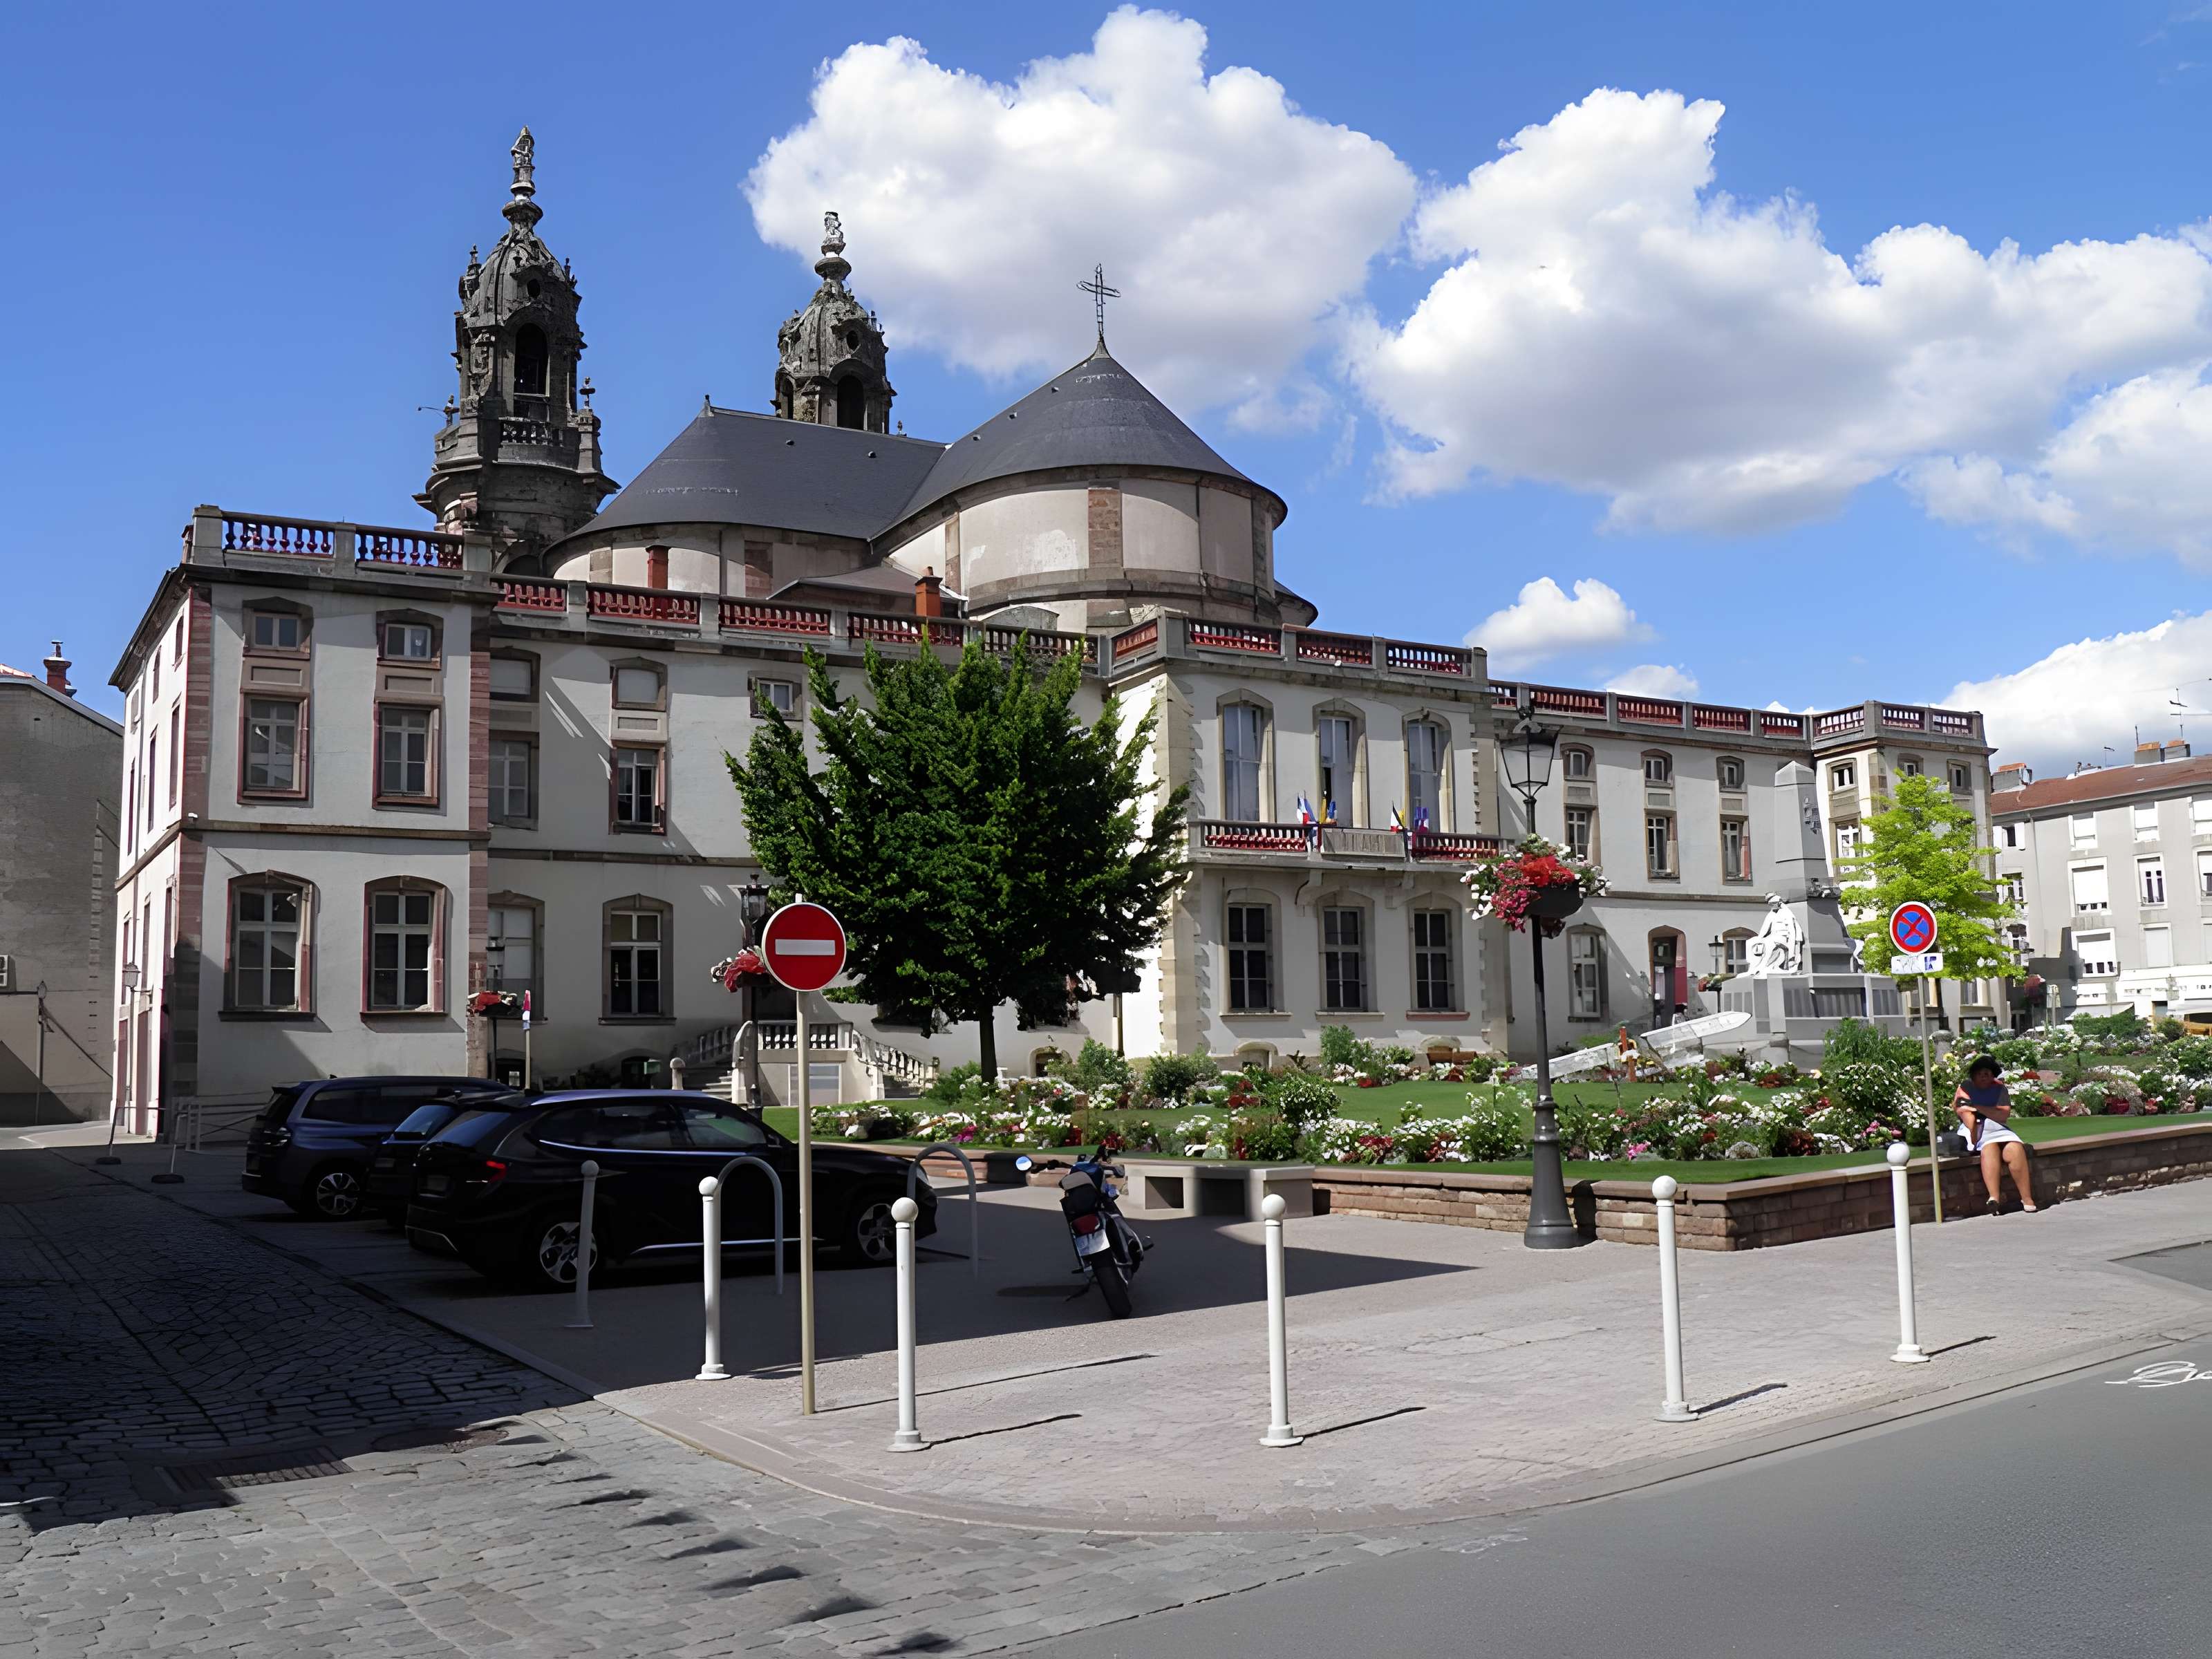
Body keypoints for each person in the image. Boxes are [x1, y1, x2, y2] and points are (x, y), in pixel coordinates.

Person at [1955, 1056, 2036, 1215]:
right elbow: (1964, 1113)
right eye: (1980, 1073)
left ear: (1993, 1075)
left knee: (2015, 1149)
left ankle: (2027, 1199)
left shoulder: (2000, 1088)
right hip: (1978, 1131)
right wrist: (1975, 1132)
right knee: (1989, 1148)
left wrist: (1978, 1107)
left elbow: (2003, 1114)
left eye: (1987, 1073)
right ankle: (1994, 1199)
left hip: (2000, 1129)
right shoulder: (1965, 1087)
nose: (1984, 1076)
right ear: (1974, 1075)